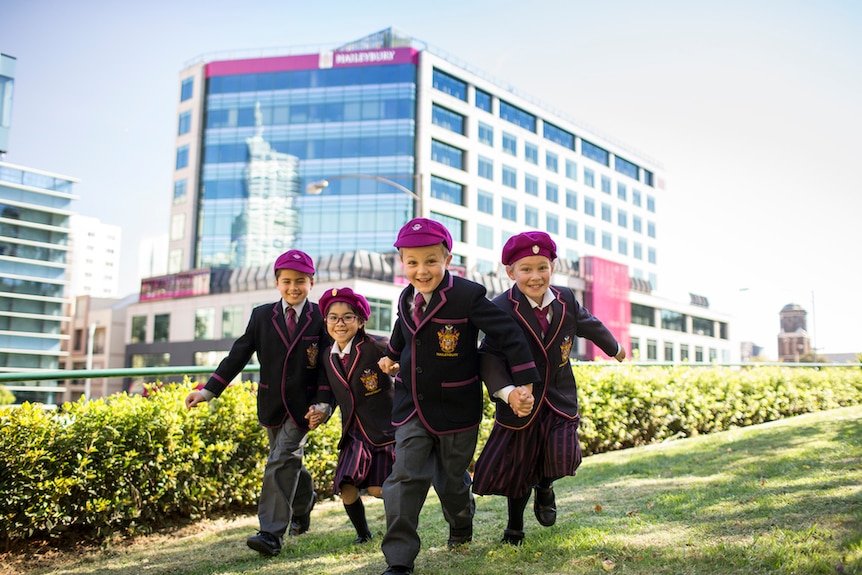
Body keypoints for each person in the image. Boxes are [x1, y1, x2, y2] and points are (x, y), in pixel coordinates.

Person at [377, 218, 541, 575]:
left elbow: (509, 333)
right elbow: (403, 333)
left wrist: (525, 380)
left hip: (456, 408)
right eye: (413, 262)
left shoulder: (469, 295)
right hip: (410, 407)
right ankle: (400, 559)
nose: (422, 270)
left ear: (447, 259)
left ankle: (461, 523)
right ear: (402, 263)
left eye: (431, 261)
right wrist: (390, 355)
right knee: (405, 476)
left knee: (451, 482)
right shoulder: (406, 296)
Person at [472, 231, 625, 546]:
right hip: (521, 400)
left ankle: (545, 486)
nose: (535, 276)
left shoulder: (566, 298)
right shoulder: (499, 308)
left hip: (557, 395)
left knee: (559, 454)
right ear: (510, 272)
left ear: (552, 266)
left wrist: (615, 348)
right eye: (525, 269)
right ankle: (514, 528)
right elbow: (489, 356)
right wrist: (507, 392)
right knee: (518, 466)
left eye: (542, 267)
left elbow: (589, 323)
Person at [184, 249, 332, 557]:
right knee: (287, 461)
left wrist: (323, 403)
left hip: (304, 408)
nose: (294, 287)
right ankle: (304, 503)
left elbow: (327, 366)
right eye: (287, 281)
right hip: (271, 404)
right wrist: (208, 391)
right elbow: (238, 355)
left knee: (282, 458)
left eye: (301, 281)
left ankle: (271, 534)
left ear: (312, 282)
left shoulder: (321, 316)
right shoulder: (262, 315)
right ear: (277, 282)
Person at [316, 287, 395, 545]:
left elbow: (405, 362)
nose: (340, 323)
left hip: (383, 431)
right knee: (346, 486)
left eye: (347, 317)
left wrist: (397, 366)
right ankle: (363, 534)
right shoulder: (328, 356)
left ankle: (400, 526)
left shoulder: (377, 345)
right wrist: (321, 409)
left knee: (378, 489)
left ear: (361, 321)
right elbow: (333, 391)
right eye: (333, 317)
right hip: (353, 433)